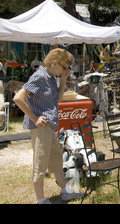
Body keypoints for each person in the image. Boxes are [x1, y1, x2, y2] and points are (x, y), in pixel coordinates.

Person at [13, 48, 84, 204]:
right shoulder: (39, 76)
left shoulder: (51, 76)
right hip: (41, 127)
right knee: (40, 163)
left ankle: (65, 191)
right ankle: (40, 199)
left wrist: (64, 79)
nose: (66, 70)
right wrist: (34, 117)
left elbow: (57, 100)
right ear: (54, 63)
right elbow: (18, 98)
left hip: (49, 125)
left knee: (56, 159)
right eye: (64, 67)